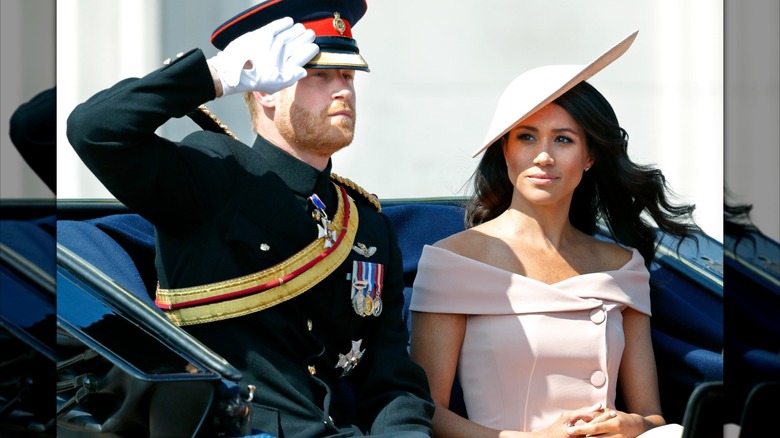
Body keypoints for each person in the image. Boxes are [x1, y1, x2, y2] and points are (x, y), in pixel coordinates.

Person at [65, 1, 433, 436]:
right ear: (266, 89)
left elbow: (390, 378)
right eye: (320, 75)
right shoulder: (215, 172)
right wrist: (216, 76)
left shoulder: (366, 225)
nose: (343, 91)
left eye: (348, 76)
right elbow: (94, 129)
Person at [409, 30, 700, 438]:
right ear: (505, 150)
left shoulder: (624, 266)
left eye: (563, 139)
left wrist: (632, 424)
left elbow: (652, 415)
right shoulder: (453, 260)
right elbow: (426, 411)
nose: (543, 156)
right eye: (526, 137)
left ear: (590, 156)